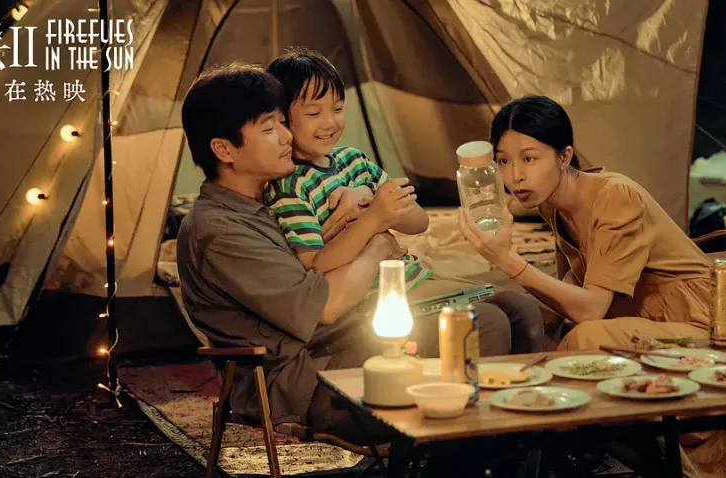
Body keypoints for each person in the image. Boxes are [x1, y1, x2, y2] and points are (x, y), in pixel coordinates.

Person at [176, 63, 545, 447]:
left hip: (350, 334)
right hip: (306, 376)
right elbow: (327, 306)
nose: (287, 137)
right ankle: (461, 459)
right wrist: (378, 240)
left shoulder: (267, 199)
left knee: (517, 308)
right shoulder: (220, 230)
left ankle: (521, 448)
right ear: (224, 149)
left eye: (284, 123)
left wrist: (362, 214)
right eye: (270, 129)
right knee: (480, 325)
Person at [457, 95, 726, 477]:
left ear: (564, 156)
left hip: (695, 324)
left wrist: (509, 261)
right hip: (631, 319)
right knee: (515, 308)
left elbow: (591, 308)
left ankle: (546, 447)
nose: (515, 177)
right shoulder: (551, 203)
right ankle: (504, 444)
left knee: (585, 338)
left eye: (529, 159)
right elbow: (572, 283)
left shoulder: (615, 195)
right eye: (503, 161)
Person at [263, 48, 548, 356]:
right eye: (313, 113)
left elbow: (419, 221)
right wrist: (374, 219)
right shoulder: (291, 187)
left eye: (337, 108)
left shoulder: (354, 161)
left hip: (413, 275)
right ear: (282, 119)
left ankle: (524, 383)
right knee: (485, 322)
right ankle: (475, 386)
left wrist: (378, 201)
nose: (330, 122)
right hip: (373, 298)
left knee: (521, 307)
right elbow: (315, 265)